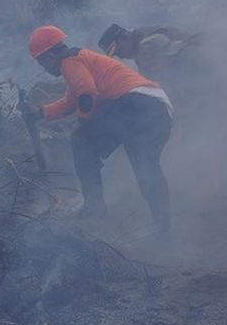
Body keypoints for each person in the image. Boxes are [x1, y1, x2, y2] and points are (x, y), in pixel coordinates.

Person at [22, 25, 173, 234]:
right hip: (158, 109)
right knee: (146, 167)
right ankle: (164, 229)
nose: (44, 68)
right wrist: (40, 112)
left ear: (48, 58)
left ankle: (95, 208)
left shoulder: (70, 62)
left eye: (41, 63)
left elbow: (86, 95)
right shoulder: (81, 62)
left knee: (81, 141)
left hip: (134, 104)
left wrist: (84, 124)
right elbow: (72, 100)